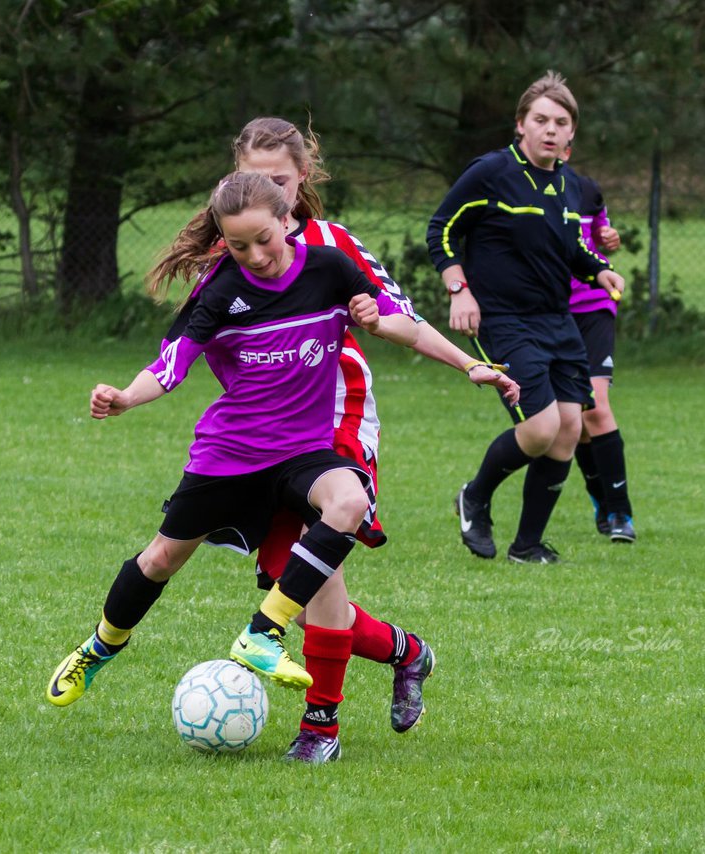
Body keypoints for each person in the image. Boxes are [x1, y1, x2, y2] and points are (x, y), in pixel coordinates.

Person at [46, 171, 421, 763]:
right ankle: (97, 649)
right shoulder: (221, 288)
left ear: (288, 211)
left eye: (262, 240)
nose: (254, 255)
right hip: (230, 456)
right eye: (238, 244)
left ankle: (269, 642)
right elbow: (172, 363)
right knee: (161, 558)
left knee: (346, 507)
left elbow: (402, 325)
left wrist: (466, 363)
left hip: (305, 452)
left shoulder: (329, 265)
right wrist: (124, 396)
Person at [229, 117, 520, 761]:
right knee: (293, 589)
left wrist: (467, 362)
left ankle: (320, 728)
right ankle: (405, 651)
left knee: (318, 562)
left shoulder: (333, 243)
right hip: (264, 431)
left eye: (278, 181)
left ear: (302, 179)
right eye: (251, 180)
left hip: (335, 414)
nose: (265, 194)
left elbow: (401, 319)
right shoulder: (233, 245)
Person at [427, 71, 626, 564]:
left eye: (561, 122)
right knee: (539, 429)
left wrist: (600, 271)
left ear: (572, 133)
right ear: (521, 124)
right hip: (504, 319)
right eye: (541, 119)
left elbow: (572, 248)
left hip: (558, 321)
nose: (551, 130)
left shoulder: (567, 185)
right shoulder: (492, 172)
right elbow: (442, 230)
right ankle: (475, 495)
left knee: (568, 431)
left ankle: (527, 545)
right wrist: (459, 290)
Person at [563, 144, 637, 543]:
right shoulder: (517, 190)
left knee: (596, 406)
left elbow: (596, 240)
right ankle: (603, 501)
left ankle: (622, 515)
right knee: (571, 419)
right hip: (548, 313)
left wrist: (608, 239)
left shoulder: (586, 190)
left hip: (592, 306)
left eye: (561, 127)